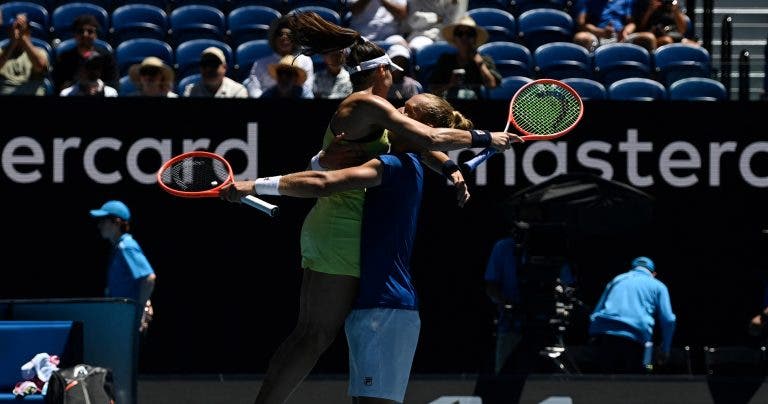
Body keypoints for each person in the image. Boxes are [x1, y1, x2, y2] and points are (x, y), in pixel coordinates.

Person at [221, 92, 493, 403]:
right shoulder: (403, 161)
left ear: (421, 125)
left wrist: (252, 185)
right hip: (373, 307)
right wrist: (322, 161)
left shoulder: (396, 166)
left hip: (388, 310)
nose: (397, 111)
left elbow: (323, 184)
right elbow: (427, 147)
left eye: (407, 110)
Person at [587, 256, 676, 374]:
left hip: (605, 337)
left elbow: (595, 312)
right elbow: (669, 320)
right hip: (634, 341)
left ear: (632, 269)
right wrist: (665, 350)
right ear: (653, 274)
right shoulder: (658, 286)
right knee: (633, 384)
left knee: (604, 383)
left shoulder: (618, 279)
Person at [89, 200, 156, 333]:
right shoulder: (118, 248)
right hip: (121, 317)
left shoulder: (127, 246)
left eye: (104, 220)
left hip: (128, 319)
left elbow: (149, 278)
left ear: (117, 222)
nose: (99, 225)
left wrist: (139, 310)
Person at [427, 14, 500, 100]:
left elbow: (492, 85)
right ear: (454, 38)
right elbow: (433, 90)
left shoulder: (485, 60)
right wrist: (451, 84)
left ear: (475, 38)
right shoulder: (445, 60)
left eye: (469, 34)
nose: (464, 37)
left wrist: (480, 64)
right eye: (460, 33)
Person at [244, 15, 314, 98]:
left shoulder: (305, 60)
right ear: (274, 39)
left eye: (289, 35)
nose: (284, 37)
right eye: (280, 34)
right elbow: (254, 90)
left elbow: (306, 88)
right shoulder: (260, 63)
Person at [52, 14, 118, 94]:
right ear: (75, 34)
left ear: (96, 35)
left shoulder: (106, 57)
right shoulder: (64, 58)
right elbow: (57, 85)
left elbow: (114, 84)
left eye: (90, 31)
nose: (85, 34)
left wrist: (99, 87)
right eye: (80, 31)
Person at [0, 13, 49, 95]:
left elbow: (40, 66)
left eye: (23, 30)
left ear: (29, 32)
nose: (18, 33)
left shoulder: (40, 52)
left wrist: (23, 39)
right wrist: (13, 43)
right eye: (15, 30)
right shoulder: (2, 51)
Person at [572, 0, 637, 52]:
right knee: (581, 37)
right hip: (595, 36)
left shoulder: (627, 1)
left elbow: (632, 24)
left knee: (646, 37)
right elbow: (580, 24)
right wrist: (601, 32)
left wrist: (625, 32)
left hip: (621, 36)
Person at [182, 47, 248, 98]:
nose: (208, 69)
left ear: (224, 67)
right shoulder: (191, 91)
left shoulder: (237, 91)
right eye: (204, 64)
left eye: (214, 64)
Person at [402, 0, 468, 50]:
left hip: (448, 40)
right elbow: (411, 23)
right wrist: (437, 18)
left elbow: (452, 25)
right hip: (419, 37)